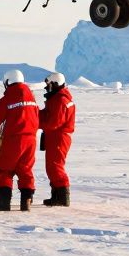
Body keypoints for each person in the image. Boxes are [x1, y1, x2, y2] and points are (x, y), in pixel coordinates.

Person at [0, 69, 40, 211]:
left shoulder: (8, 98)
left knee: (5, 170)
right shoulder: (32, 99)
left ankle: (4, 202)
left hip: (14, 139)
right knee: (25, 170)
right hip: (31, 139)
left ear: (7, 81)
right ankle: (26, 201)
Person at [39, 72, 75, 207]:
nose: (46, 87)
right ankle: (56, 195)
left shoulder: (60, 100)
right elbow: (48, 115)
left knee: (55, 166)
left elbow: (54, 122)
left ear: (54, 84)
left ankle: (63, 197)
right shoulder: (58, 99)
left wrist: (35, 122)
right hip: (56, 136)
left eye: (48, 84)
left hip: (58, 137)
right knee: (52, 167)